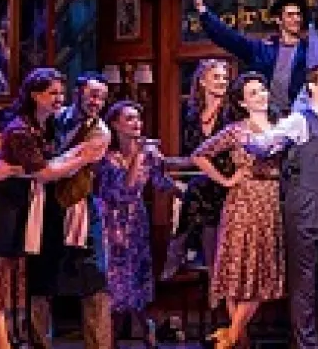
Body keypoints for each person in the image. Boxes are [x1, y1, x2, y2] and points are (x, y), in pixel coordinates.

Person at [0, 68, 104, 349]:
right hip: (3, 214)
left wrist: (21, 169)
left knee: (0, 293)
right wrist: (82, 158)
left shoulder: (44, 127)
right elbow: (44, 173)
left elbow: (45, 164)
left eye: (61, 93)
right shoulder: (20, 130)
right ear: (35, 95)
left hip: (21, 211)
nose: (59, 99)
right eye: (52, 93)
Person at [244, 63, 318, 349]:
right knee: (304, 278)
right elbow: (265, 143)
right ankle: (304, 343)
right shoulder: (299, 120)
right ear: (312, 87)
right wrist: (251, 140)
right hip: (304, 203)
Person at [191, 72, 285, 349]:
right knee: (238, 273)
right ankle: (237, 341)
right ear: (243, 103)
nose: (261, 95)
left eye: (262, 89)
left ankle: (229, 336)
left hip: (269, 200)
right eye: (253, 93)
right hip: (242, 202)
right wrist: (226, 180)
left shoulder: (281, 127)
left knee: (260, 272)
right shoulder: (236, 130)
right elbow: (199, 155)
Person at [28, 71, 112, 349]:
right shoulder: (55, 117)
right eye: (92, 95)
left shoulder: (100, 132)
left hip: (79, 206)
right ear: (78, 93)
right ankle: (39, 343)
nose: (96, 102)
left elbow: (67, 165)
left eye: (102, 97)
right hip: (45, 206)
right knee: (40, 278)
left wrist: (36, 168)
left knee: (93, 278)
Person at [99, 100, 178, 348]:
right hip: (112, 221)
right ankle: (110, 339)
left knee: (137, 279)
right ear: (115, 124)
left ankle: (147, 328)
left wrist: (182, 190)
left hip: (136, 221)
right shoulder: (107, 157)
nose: (137, 123)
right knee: (114, 282)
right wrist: (140, 155)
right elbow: (125, 189)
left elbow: (160, 183)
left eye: (138, 118)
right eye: (130, 118)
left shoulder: (149, 153)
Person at [185, 0, 308, 114]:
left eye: (298, 15)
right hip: (265, 115)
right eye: (290, 15)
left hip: (299, 116)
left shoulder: (308, 49)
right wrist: (201, 8)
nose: (296, 19)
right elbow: (228, 37)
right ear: (279, 20)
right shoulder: (262, 49)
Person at [162, 58, 232, 280]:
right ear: (202, 81)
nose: (222, 82)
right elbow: (194, 155)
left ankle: (179, 249)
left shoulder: (231, 112)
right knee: (199, 189)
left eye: (225, 78)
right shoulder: (192, 114)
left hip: (227, 180)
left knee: (196, 189)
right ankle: (201, 262)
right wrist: (169, 162)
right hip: (205, 181)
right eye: (216, 77)